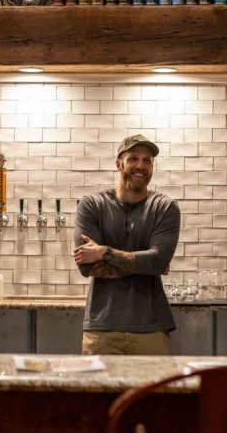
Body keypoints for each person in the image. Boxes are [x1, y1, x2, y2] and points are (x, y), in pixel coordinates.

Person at [73, 134, 181, 355]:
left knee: (153, 391)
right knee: (97, 390)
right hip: (102, 328)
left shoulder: (165, 207)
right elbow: (87, 267)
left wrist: (104, 252)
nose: (140, 165)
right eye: (133, 158)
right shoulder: (92, 205)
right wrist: (145, 264)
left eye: (147, 160)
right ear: (118, 164)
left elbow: (159, 261)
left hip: (151, 328)